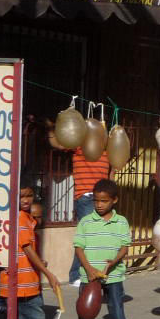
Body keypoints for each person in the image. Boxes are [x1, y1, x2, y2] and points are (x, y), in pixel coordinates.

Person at [0, 183, 60, 319]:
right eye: (21, 195)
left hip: (25, 281)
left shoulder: (23, 218)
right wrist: (47, 273)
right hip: (22, 283)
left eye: (29, 195)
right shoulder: (19, 219)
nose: (26, 200)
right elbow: (26, 248)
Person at [73, 179, 135, 319]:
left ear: (114, 200)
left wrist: (114, 262)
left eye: (104, 201)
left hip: (113, 276)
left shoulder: (121, 222)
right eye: (96, 201)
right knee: (87, 314)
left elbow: (124, 247)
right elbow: (79, 248)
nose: (99, 205)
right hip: (89, 278)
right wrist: (89, 269)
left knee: (117, 313)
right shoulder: (85, 221)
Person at [46, 119, 112, 285]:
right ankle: (76, 275)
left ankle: (93, 273)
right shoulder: (80, 145)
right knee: (88, 236)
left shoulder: (106, 149)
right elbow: (58, 144)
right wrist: (51, 128)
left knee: (100, 238)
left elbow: (112, 172)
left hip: (103, 197)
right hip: (86, 197)